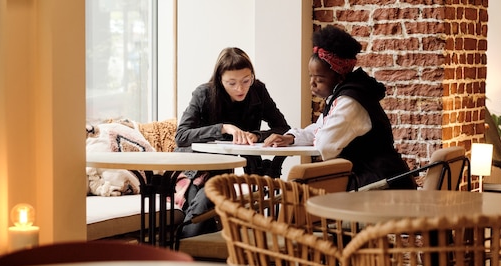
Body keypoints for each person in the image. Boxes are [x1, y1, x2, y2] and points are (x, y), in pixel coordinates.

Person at [263, 25, 415, 190]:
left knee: (303, 196)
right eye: (311, 76)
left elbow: (325, 144)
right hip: (373, 178)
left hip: (381, 183)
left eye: (319, 79)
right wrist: (291, 137)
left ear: (340, 76)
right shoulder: (344, 95)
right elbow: (321, 128)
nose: (312, 83)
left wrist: (321, 132)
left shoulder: (350, 102)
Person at [174, 47, 290, 238]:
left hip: (240, 168)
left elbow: (283, 127)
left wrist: (256, 135)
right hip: (199, 168)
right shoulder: (203, 94)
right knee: (203, 204)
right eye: (232, 83)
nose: (240, 88)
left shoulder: (258, 91)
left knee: (208, 203)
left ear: (252, 76)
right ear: (220, 80)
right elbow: (182, 136)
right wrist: (222, 128)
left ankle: (190, 254)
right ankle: (186, 253)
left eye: (246, 81)